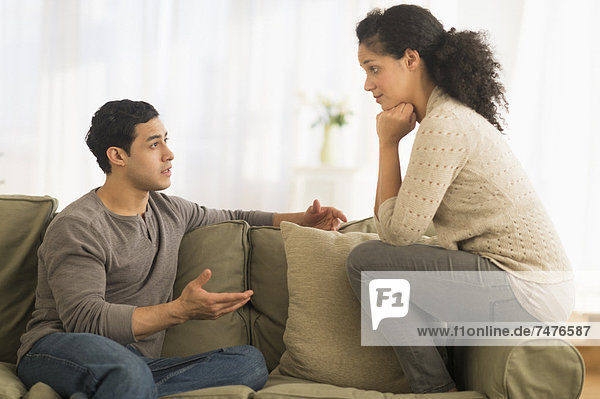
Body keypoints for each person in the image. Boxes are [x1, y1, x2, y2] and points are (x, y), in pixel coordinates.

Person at [17, 99, 347, 398]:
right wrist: (180, 311)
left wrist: (302, 219)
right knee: (126, 372)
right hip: (58, 349)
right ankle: (123, 385)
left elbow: (236, 217)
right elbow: (86, 320)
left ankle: (118, 390)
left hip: (135, 362)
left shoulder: (170, 211)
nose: (169, 154)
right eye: (154, 144)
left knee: (248, 363)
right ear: (117, 156)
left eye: (166, 141)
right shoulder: (79, 226)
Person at [345, 4, 574, 394]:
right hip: (527, 286)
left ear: (410, 59)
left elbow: (397, 234)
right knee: (379, 264)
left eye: (374, 68)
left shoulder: (444, 124)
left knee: (365, 263)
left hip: (526, 288)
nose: (368, 85)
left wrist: (386, 145)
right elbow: (395, 228)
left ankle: (435, 390)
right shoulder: (446, 117)